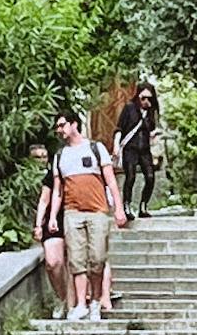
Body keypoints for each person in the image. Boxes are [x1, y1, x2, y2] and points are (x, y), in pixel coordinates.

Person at [50, 109, 127, 319]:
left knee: (97, 258)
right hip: (72, 212)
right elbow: (58, 190)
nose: (60, 130)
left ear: (74, 124)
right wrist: (52, 217)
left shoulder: (95, 148)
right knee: (76, 259)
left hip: (97, 211)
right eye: (58, 126)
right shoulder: (60, 155)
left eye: (62, 125)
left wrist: (119, 209)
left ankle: (95, 301)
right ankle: (81, 304)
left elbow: (110, 180)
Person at [117, 79, 162, 219]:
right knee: (130, 177)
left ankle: (143, 205)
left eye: (149, 98)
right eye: (143, 98)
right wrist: (115, 146)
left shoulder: (151, 112)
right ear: (138, 97)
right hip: (130, 148)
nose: (145, 101)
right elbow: (119, 128)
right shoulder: (130, 108)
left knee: (150, 176)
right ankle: (127, 206)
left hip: (144, 149)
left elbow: (151, 130)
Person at [29, 140, 68, 298]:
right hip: (54, 219)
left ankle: (78, 300)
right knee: (53, 263)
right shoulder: (52, 174)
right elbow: (44, 200)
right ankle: (61, 296)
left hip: (77, 214)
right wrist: (38, 225)